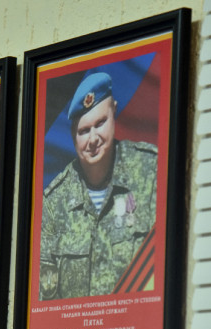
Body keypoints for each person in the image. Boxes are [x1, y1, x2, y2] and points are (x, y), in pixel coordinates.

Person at [39, 72, 157, 301]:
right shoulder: (54, 202)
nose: (93, 139)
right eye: (84, 131)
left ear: (114, 112)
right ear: (73, 135)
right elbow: (46, 301)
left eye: (100, 123)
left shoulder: (151, 172)